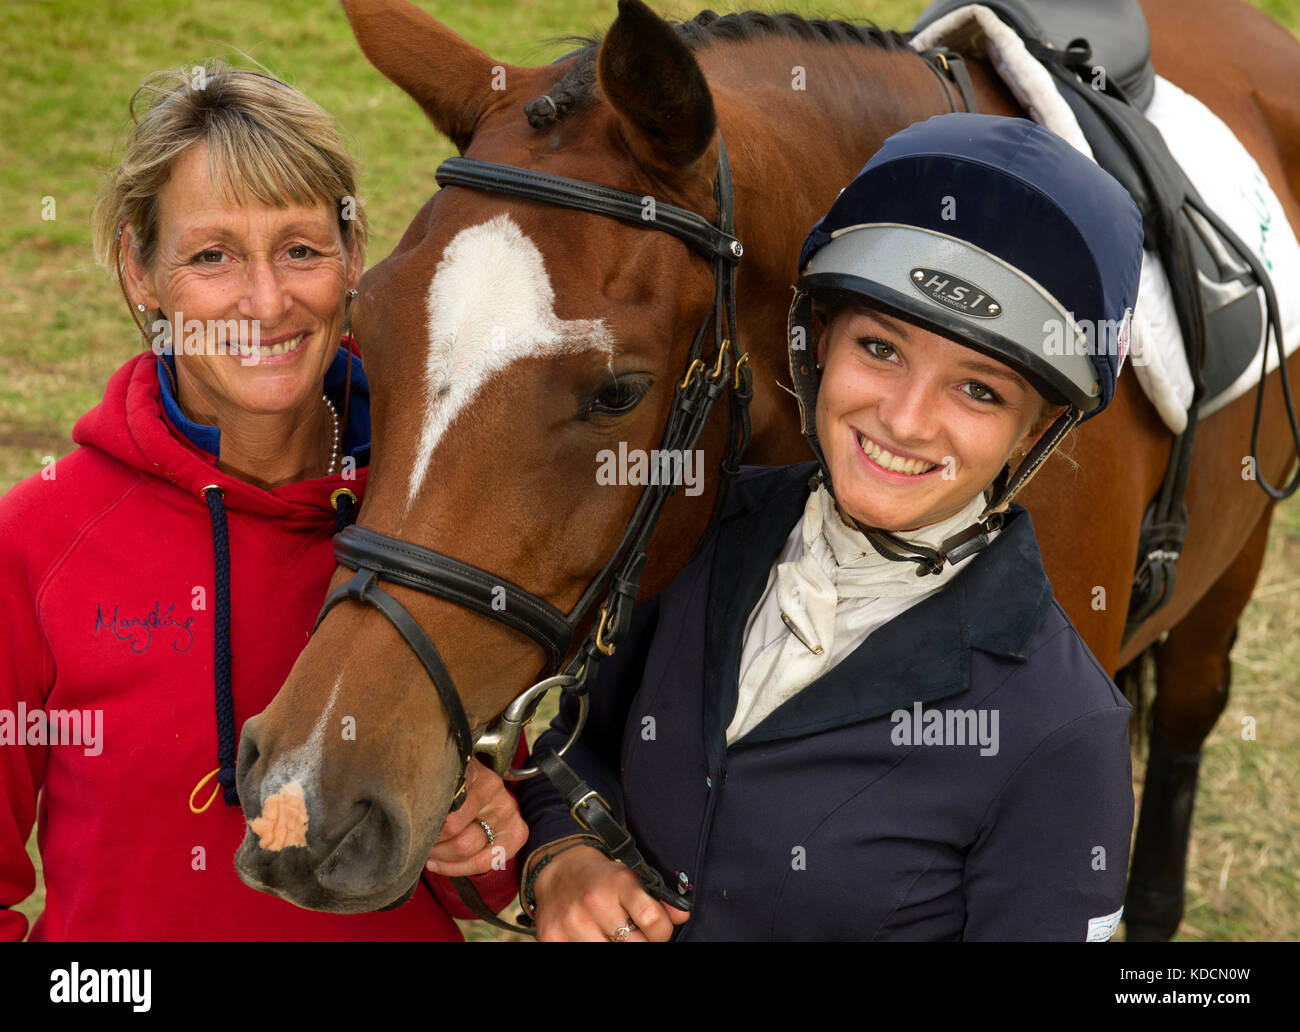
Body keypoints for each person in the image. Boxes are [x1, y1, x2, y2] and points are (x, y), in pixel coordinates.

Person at [516, 112, 1144, 941]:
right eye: (882, 348)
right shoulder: (693, 527)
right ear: (820, 343)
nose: (907, 420)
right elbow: (571, 753)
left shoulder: (1064, 733)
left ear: (1033, 432)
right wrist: (562, 859)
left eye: (979, 390)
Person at [0, 59, 525, 941]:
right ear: (140, 270)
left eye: (301, 249)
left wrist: (500, 834)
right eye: (212, 256)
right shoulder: (37, 541)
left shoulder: (441, 505)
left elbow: (491, 873)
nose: (267, 300)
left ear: (355, 254)